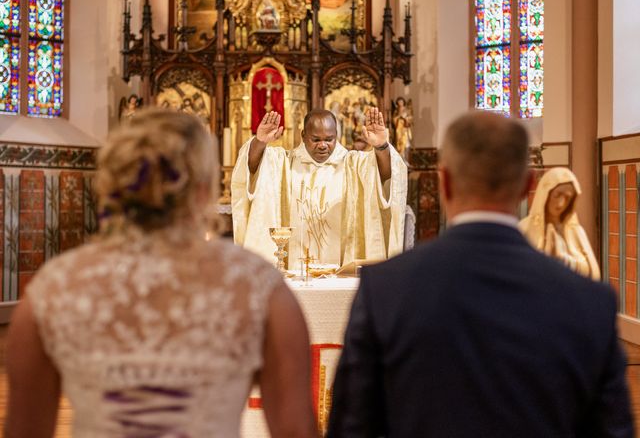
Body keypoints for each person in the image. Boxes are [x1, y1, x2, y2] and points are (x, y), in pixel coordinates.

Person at [5, 109, 316, 437]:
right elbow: (295, 429)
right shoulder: (258, 288)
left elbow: (25, 431)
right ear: (204, 187)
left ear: (111, 183)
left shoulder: (54, 288)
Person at [328, 110, 634, 437]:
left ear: (444, 182)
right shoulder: (589, 301)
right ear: (527, 187)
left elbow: (352, 427)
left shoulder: (385, 290)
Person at [232, 108, 407, 268]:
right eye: (316, 140)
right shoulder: (284, 163)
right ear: (303, 135)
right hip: (293, 270)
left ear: (336, 135)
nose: (323, 145)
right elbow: (251, 167)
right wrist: (260, 142)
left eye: (329, 139)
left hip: (341, 268)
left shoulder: (353, 165)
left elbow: (386, 173)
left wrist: (381, 146)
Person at [520, 166, 601, 280]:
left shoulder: (576, 231)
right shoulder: (524, 228)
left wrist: (567, 261)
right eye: (557, 195)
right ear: (545, 194)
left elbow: (593, 273)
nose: (561, 204)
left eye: (567, 198)